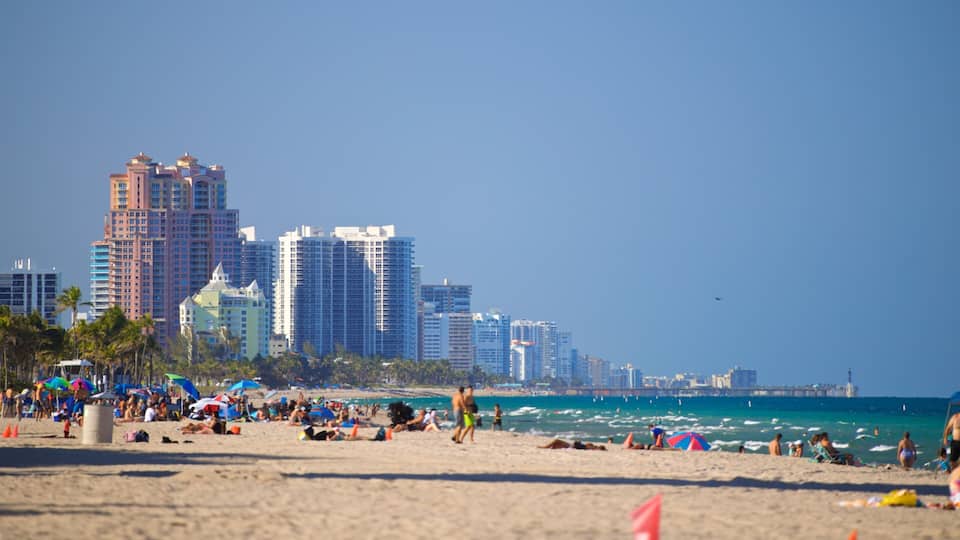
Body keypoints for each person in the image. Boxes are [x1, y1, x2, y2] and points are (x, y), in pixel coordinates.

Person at [539, 439, 607, 451]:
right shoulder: (592, 447)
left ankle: (544, 447)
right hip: (572, 446)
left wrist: (578, 443)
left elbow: (584, 447)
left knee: (556, 441)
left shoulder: (593, 447)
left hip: (571, 446)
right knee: (555, 445)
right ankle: (546, 447)